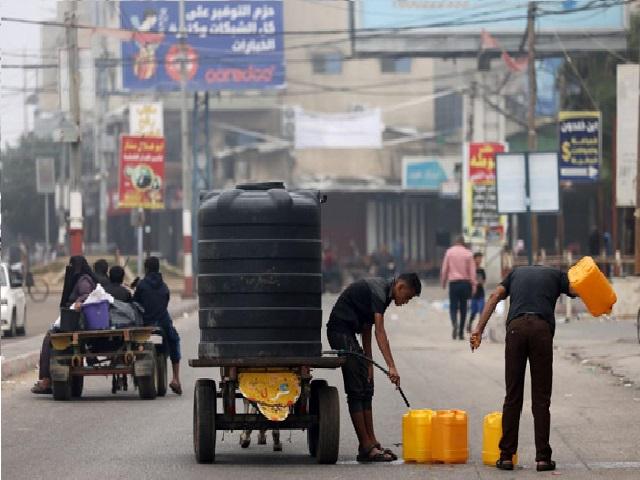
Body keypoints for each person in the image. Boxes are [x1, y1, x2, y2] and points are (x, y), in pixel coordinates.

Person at [470, 265, 577, 472]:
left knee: (512, 396)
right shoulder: (557, 275)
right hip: (541, 330)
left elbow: (494, 296)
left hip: (516, 330)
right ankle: (543, 459)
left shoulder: (515, 274)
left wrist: (478, 330)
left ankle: (506, 457)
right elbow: (577, 289)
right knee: (541, 398)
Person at [326, 273, 422, 462]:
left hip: (351, 332)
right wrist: (391, 367)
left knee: (367, 386)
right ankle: (365, 446)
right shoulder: (380, 291)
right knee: (356, 388)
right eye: (408, 297)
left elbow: (367, 328)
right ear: (400, 287)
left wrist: (368, 362)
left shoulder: (385, 295)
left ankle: (372, 442)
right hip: (340, 331)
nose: (406, 301)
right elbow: (380, 332)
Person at [31, 256, 98, 394]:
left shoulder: (83, 280)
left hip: (77, 320)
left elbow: (86, 295)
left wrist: (77, 303)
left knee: (49, 339)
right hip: (73, 318)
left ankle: (46, 380)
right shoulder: (80, 278)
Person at [132, 256, 182, 395]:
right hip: (162, 320)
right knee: (174, 340)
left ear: (146, 268)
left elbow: (136, 302)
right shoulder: (164, 285)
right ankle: (176, 378)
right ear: (158, 268)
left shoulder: (141, 285)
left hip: (147, 321)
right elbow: (165, 302)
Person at [440, 236, 476, 340]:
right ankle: (460, 332)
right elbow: (472, 272)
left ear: (455, 242)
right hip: (465, 284)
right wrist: (473, 285)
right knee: (464, 307)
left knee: (453, 306)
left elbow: (444, 269)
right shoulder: (468, 254)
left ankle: (454, 323)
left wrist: (443, 282)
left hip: (454, 284)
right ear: (463, 243)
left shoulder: (449, 252)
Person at [467, 252, 486, 334]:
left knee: (482, 310)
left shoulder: (482, 270)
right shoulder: (471, 270)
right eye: (478, 258)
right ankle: (469, 325)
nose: (479, 260)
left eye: (481, 258)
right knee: (474, 311)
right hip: (473, 294)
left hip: (481, 293)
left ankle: (480, 328)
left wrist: (480, 282)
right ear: (474, 259)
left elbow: (484, 280)